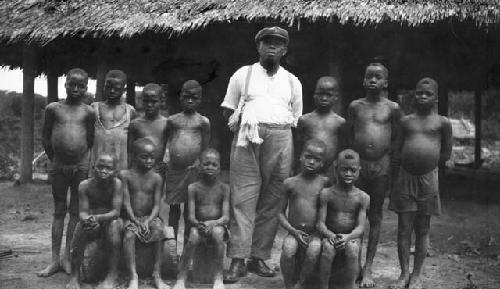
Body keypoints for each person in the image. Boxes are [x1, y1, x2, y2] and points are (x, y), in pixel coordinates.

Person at [221, 26, 302, 282]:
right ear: (258, 46)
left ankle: (258, 257)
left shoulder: (292, 81)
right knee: (242, 198)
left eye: (277, 44)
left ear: (284, 50)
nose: (271, 47)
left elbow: (295, 118)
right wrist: (250, 125)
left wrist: (273, 132)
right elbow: (228, 111)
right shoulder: (242, 75)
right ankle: (237, 259)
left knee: (273, 199)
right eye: (266, 42)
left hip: (280, 138)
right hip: (247, 137)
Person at [388, 78, 452, 289]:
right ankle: (404, 273)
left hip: (428, 178)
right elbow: (396, 150)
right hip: (406, 178)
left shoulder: (442, 123)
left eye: (427, 93)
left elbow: (445, 153)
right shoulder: (406, 122)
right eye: (419, 93)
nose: (422, 96)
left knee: (423, 228)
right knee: (403, 228)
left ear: (436, 98)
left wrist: (427, 163)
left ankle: (417, 275)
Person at [345, 62, 401, 288]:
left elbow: (397, 139)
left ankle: (368, 268)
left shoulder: (392, 108)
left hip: (381, 166)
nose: (373, 80)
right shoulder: (355, 106)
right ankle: (354, 265)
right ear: (363, 80)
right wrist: (353, 163)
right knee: (354, 212)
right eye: (369, 76)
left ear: (386, 82)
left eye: (378, 77)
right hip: (358, 166)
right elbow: (349, 136)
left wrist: (388, 163)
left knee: (375, 215)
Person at [39, 68, 95, 277]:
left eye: (81, 86)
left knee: (75, 212)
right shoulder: (53, 108)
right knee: (59, 210)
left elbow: (90, 140)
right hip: (59, 166)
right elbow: (45, 137)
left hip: (80, 166)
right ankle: (55, 260)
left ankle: (69, 259)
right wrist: (56, 160)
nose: (76, 89)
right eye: (72, 84)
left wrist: (80, 161)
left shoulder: (88, 112)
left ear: (86, 88)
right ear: (66, 84)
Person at [173, 149, 230, 289]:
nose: (210, 167)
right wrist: (199, 224)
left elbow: (226, 217)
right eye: (206, 164)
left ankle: (218, 277)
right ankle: (182, 277)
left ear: (219, 168)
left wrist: (213, 223)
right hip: (199, 226)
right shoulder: (193, 188)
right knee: (193, 236)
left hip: (218, 226)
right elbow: (190, 216)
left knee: (217, 234)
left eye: (214, 164)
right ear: (200, 166)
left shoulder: (224, 188)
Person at [66, 154, 123, 289]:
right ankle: (74, 276)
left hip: (110, 221)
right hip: (92, 221)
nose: (103, 171)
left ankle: (112, 275)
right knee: (81, 227)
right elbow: (83, 212)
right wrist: (87, 220)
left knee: (115, 227)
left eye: (108, 168)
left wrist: (99, 218)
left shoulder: (117, 184)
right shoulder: (84, 185)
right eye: (100, 167)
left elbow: (116, 212)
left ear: (115, 171)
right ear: (93, 168)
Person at [279, 140, 329, 289]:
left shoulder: (325, 183)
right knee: (288, 250)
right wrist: (293, 231)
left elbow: (329, 208)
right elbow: (279, 213)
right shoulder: (290, 183)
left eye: (317, 160)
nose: (311, 162)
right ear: (300, 157)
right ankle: (288, 285)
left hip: (315, 233)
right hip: (294, 232)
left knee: (313, 251)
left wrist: (320, 232)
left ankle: (300, 283)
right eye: (308, 157)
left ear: (322, 163)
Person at [317, 149, 370, 289]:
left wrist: (347, 237)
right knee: (328, 248)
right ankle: (323, 286)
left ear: (359, 170)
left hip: (350, 237)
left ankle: (350, 286)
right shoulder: (327, 194)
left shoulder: (362, 197)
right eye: (344, 169)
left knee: (353, 249)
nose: (348, 174)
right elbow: (320, 224)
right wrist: (331, 235)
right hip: (331, 236)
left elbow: (360, 227)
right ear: (336, 169)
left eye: (353, 170)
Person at [164, 80, 210, 241]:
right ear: (180, 98)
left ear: (200, 100)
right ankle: (171, 246)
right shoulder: (172, 120)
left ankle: (186, 251)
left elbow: (205, 147)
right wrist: (167, 158)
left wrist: (200, 164)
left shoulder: (203, 122)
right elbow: (166, 141)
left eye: (194, 98)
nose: (190, 101)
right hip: (174, 170)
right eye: (186, 97)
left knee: (190, 211)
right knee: (174, 209)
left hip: (193, 170)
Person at [121, 138, 169, 289]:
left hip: (151, 217)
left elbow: (156, 205)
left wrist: (148, 221)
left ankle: (157, 274)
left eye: (152, 157)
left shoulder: (157, 178)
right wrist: (135, 220)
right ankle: (133, 276)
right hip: (131, 217)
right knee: (129, 235)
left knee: (161, 231)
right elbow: (126, 202)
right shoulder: (125, 175)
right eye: (144, 156)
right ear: (134, 156)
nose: (149, 160)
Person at [127, 83, 169, 221]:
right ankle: (136, 229)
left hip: (157, 170)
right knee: (138, 202)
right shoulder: (135, 124)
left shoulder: (166, 123)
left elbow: (169, 145)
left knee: (155, 204)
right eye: (146, 101)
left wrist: (165, 162)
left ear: (161, 101)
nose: (149, 105)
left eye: (154, 101)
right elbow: (130, 150)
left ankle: (152, 235)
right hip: (138, 171)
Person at [295, 76, 346, 182]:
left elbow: (341, 149)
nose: (324, 98)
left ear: (336, 97)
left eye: (328, 95)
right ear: (314, 95)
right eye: (321, 94)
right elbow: (298, 147)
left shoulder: (340, 122)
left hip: (329, 171)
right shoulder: (305, 120)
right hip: (306, 169)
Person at [90, 70, 137, 175]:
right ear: (104, 86)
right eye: (108, 87)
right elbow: (88, 139)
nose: (112, 91)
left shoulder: (130, 112)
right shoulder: (94, 108)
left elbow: (131, 143)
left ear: (124, 89)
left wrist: (130, 166)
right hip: (97, 166)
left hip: (121, 167)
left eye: (117, 89)